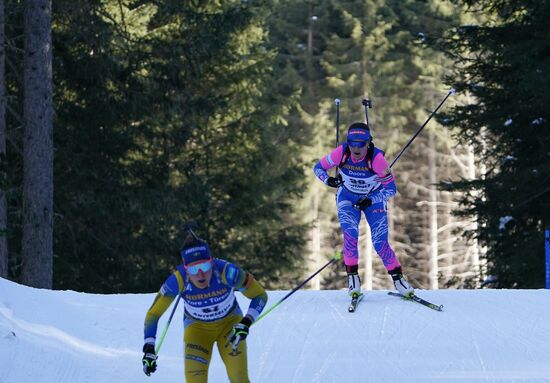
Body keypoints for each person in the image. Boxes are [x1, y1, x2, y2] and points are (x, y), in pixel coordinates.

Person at [142, 233, 268, 382]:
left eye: (205, 266)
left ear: (212, 261)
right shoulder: (178, 280)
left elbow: (260, 296)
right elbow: (153, 315)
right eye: (194, 269)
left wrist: (246, 322)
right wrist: (149, 348)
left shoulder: (227, 272)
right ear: (186, 269)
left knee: (239, 378)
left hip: (230, 326)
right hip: (197, 331)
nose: (200, 274)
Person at [313, 122, 414, 298]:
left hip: (373, 200)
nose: (356, 148)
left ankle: (398, 279)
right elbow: (318, 168)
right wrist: (328, 180)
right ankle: (353, 278)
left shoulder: (377, 160)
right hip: (347, 197)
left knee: (379, 242)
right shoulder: (341, 153)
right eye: (352, 142)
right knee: (350, 235)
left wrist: (370, 200)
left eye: (361, 143)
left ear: (369, 143)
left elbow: (391, 189)